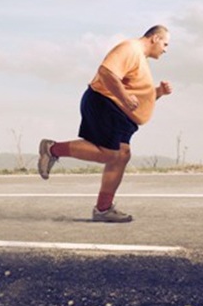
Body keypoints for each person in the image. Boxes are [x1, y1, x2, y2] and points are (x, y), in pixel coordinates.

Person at [38, 25, 173, 222]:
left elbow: (134, 93)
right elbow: (106, 73)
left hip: (120, 112)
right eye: (165, 44)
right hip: (104, 103)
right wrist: (125, 97)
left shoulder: (140, 60)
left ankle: (103, 209)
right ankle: (52, 149)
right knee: (111, 154)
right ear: (154, 38)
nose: (165, 49)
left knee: (122, 156)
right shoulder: (130, 48)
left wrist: (158, 93)